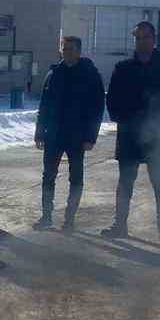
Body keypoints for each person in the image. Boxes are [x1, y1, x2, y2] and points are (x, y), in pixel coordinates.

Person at [103, 20, 160, 241]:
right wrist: (120, 118)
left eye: (145, 37)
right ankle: (120, 225)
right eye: (137, 38)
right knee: (125, 183)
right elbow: (112, 98)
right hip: (129, 134)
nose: (141, 41)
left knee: (159, 182)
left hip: (156, 135)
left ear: (154, 39)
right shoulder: (123, 68)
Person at [34, 35, 105, 231]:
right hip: (54, 135)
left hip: (78, 136)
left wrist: (91, 137)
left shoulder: (90, 74)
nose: (67, 53)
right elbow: (44, 105)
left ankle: (69, 220)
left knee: (76, 178)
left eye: (71, 49)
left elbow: (97, 108)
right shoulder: (53, 74)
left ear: (79, 51)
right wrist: (39, 132)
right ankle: (46, 217)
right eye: (64, 49)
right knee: (48, 175)